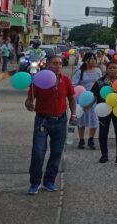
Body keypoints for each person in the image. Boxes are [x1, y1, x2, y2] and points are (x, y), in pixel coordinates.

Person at [24, 55, 76, 195]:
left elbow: (71, 99)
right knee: (38, 153)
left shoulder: (65, 80)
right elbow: (29, 100)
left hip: (60, 120)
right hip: (42, 121)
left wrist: (74, 114)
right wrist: (29, 104)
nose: (58, 66)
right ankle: (35, 182)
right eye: (55, 63)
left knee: (57, 152)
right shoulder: (39, 81)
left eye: (60, 64)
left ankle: (49, 181)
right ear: (47, 65)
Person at [91, 62, 117, 164]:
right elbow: (94, 95)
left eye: (115, 68)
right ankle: (104, 155)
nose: (112, 70)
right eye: (110, 68)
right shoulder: (100, 82)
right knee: (103, 132)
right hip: (104, 109)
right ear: (106, 70)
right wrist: (88, 105)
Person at [72, 53, 102, 150]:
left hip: (94, 99)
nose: (93, 60)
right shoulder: (79, 72)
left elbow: (101, 83)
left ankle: (91, 139)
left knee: (94, 120)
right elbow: (74, 85)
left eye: (94, 58)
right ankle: (81, 140)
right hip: (82, 100)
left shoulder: (98, 71)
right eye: (90, 59)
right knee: (82, 120)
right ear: (86, 60)